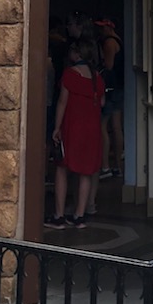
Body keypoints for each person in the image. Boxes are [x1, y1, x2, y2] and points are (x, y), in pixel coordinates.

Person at [45, 35, 105, 230]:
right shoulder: (97, 78)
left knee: (62, 168)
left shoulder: (70, 74)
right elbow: (102, 103)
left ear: (77, 53)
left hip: (73, 126)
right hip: (92, 128)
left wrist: (56, 127)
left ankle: (59, 215)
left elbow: (62, 102)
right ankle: (79, 215)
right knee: (86, 172)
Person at [96, 18, 124, 179]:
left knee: (103, 126)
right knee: (117, 126)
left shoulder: (108, 43)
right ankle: (118, 167)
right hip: (119, 87)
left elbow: (108, 66)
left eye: (102, 27)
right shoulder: (119, 40)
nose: (100, 31)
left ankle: (105, 166)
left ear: (108, 27)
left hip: (110, 88)